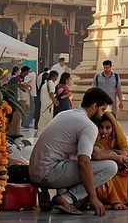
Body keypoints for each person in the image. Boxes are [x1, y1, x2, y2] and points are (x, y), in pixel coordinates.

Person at [30, 87, 122, 216]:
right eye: (102, 110)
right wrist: (93, 197)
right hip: (48, 173)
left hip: (35, 171)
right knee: (111, 167)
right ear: (94, 106)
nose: (102, 115)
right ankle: (67, 198)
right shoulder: (88, 126)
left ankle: (54, 193)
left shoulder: (66, 114)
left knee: (72, 159)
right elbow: (84, 162)